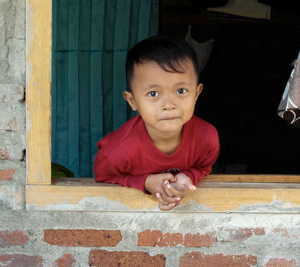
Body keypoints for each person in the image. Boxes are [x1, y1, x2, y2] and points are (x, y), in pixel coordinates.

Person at [94, 36, 220, 210]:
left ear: (197, 94)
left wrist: (188, 176)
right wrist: (145, 182)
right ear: (132, 101)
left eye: (181, 90)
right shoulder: (117, 151)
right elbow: (103, 177)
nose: (169, 105)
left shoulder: (207, 139)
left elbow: (203, 167)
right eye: (153, 94)